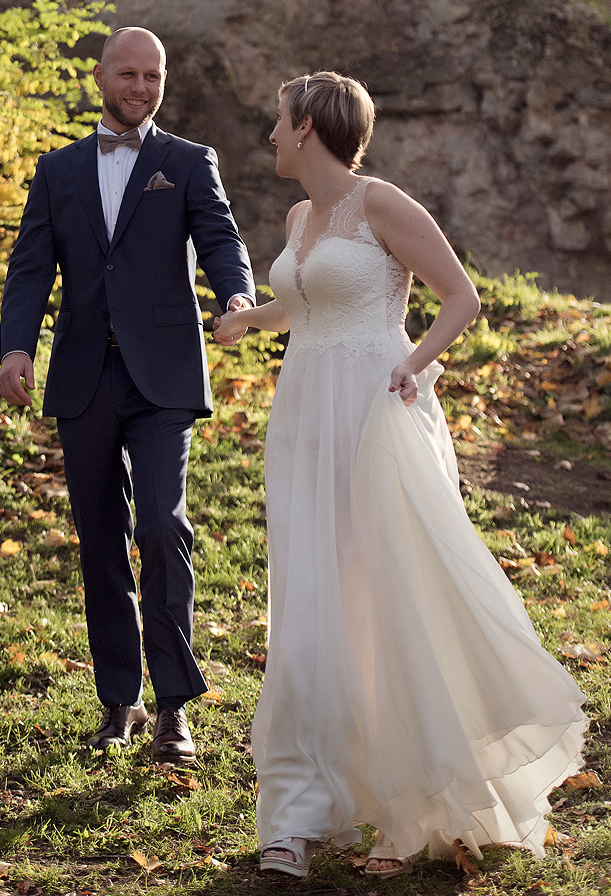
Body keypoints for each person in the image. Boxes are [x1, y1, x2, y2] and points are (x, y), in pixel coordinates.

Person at [213, 71, 587, 879]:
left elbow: (461, 298)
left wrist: (416, 365)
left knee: (388, 593)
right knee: (307, 602)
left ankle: (405, 811)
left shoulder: (383, 205)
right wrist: (251, 318)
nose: (271, 135)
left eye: (279, 122)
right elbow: (305, 307)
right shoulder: (298, 215)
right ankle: (293, 815)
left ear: (308, 124)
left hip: (376, 411)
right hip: (304, 416)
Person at [0, 27, 255, 763]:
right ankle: (121, 703)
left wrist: (236, 295)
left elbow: (220, 238)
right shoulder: (57, 170)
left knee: (162, 528)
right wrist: (17, 347)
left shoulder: (187, 161)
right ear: (101, 77)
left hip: (165, 374)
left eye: (154, 76)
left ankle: (175, 708)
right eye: (129, 75)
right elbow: (29, 269)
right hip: (82, 377)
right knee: (100, 541)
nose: (141, 88)